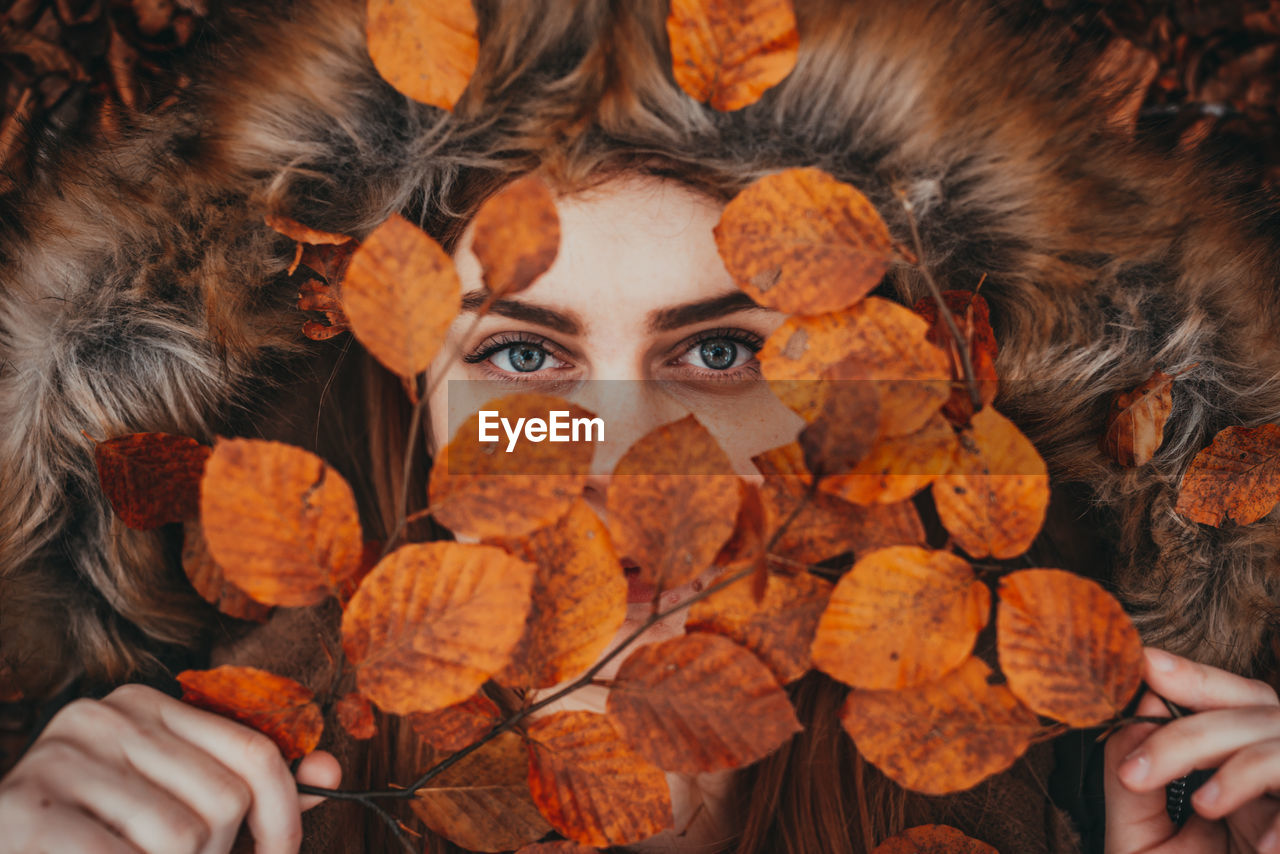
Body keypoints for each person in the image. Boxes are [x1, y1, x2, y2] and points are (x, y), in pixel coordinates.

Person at [2, 0, 1280, 851]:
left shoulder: (1079, 775)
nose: (616, 454)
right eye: (518, 354)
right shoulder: (219, 781)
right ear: (413, 392)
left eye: (720, 350)